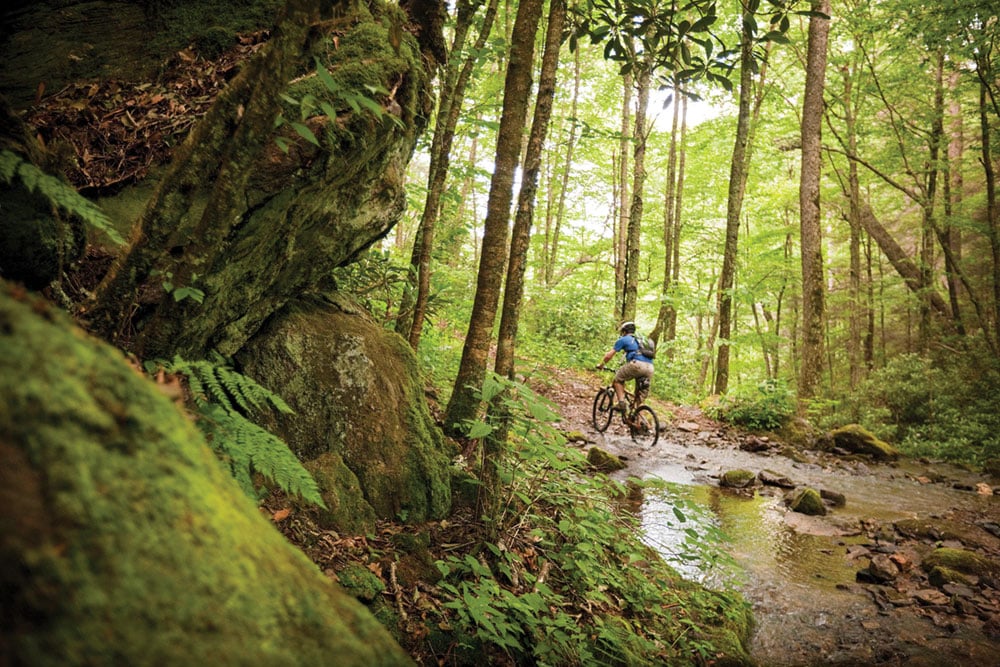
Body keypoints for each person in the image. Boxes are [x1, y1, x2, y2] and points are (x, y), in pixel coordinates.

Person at [596, 321, 654, 413]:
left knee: (618, 380)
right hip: (650, 368)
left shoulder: (624, 339)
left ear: (624, 331)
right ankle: (638, 421)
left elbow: (609, 356)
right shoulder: (641, 341)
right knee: (638, 397)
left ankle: (621, 403)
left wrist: (601, 365)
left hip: (637, 365)